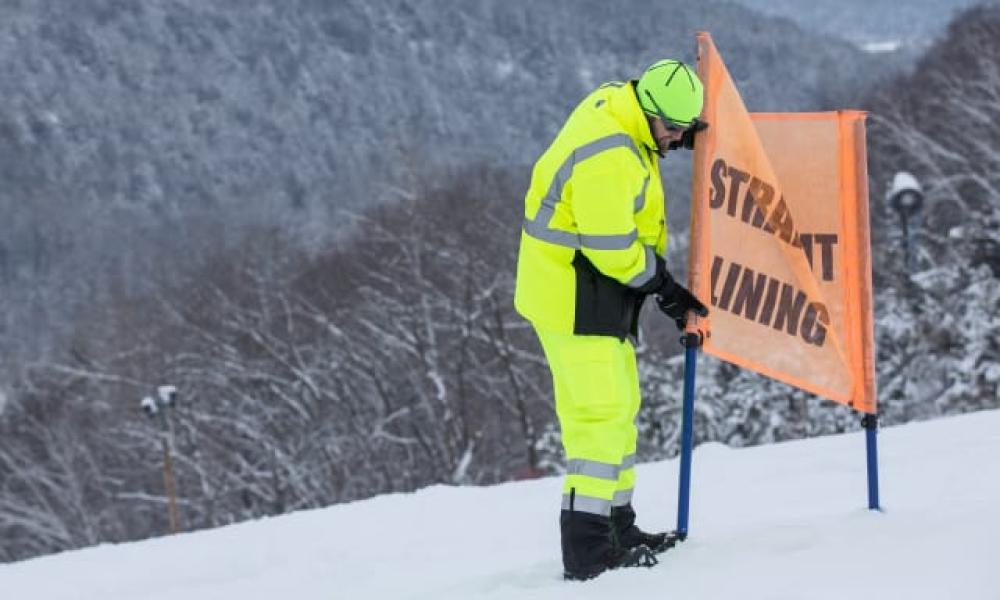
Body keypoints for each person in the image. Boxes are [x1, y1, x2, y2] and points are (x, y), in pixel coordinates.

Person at [513, 59, 711, 581]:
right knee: (598, 420)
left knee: (621, 408)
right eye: (671, 130)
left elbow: (649, 139)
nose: (673, 140)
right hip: (574, 295)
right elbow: (612, 249)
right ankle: (588, 553)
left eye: (681, 131)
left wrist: (680, 136)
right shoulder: (611, 153)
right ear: (646, 112)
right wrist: (666, 289)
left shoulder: (622, 106)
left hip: (592, 292)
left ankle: (618, 527)